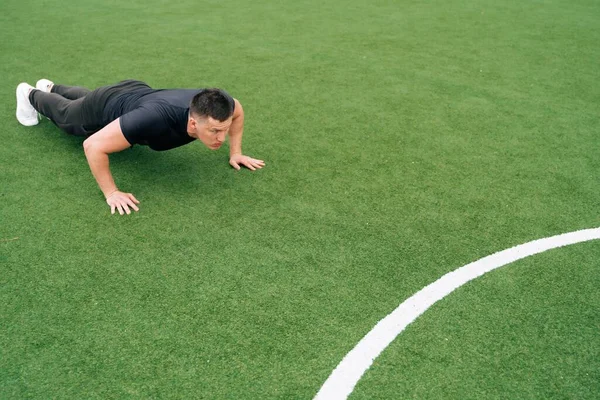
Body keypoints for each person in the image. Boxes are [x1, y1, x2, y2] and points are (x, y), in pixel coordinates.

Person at [15, 79, 265, 215]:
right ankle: (29, 94)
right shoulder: (153, 118)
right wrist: (112, 193)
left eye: (224, 129)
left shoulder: (223, 107)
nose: (220, 137)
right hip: (106, 107)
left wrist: (236, 152)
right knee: (69, 118)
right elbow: (92, 146)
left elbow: (238, 111)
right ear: (192, 122)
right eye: (214, 131)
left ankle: (51, 87)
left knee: (83, 100)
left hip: (135, 95)